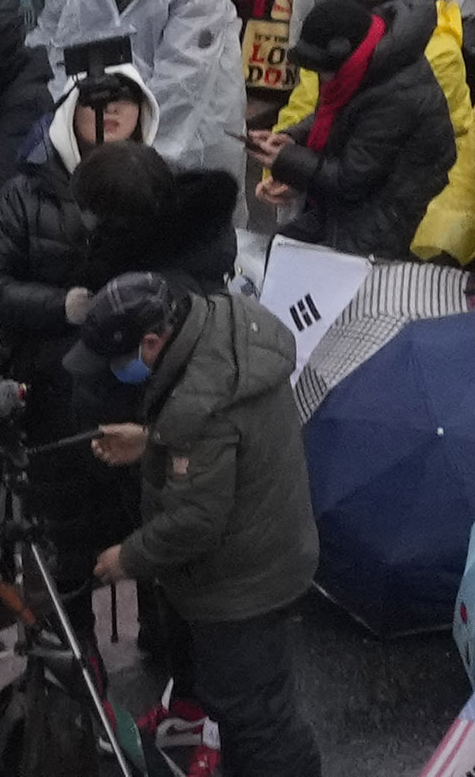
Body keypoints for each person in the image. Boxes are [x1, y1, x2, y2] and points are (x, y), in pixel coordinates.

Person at [87, 273, 325, 777]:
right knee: (260, 709)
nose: (120, 372)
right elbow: (221, 440)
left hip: (243, 586)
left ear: (152, 342)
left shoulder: (200, 402)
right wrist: (153, 440)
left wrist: (125, 558)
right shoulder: (223, 319)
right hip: (269, 550)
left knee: (257, 719)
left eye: (121, 359)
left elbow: (195, 520)